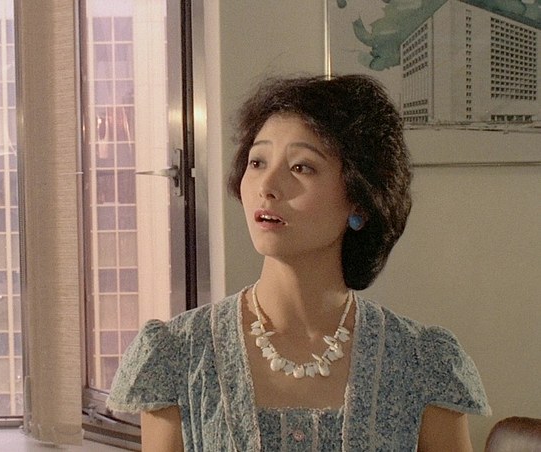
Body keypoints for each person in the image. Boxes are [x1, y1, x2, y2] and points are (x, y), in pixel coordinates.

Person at [106, 74, 490, 451]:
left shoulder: (422, 362)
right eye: (257, 162)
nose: (266, 186)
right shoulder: (178, 354)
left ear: (359, 201)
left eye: (301, 167)